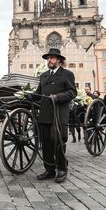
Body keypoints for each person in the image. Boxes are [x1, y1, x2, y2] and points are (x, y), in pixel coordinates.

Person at [32, 48, 76, 183]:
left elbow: (72, 92)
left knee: (58, 141)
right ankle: (49, 169)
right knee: (46, 143)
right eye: (48, 58)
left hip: (58, 114)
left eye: (52, 58)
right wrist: (29, 96)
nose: (49, 60)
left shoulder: (67, 74)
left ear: (59, 60)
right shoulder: (44, 76)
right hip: (45, 114)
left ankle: (62, 169)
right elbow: (39, 94)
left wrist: (57, 97)